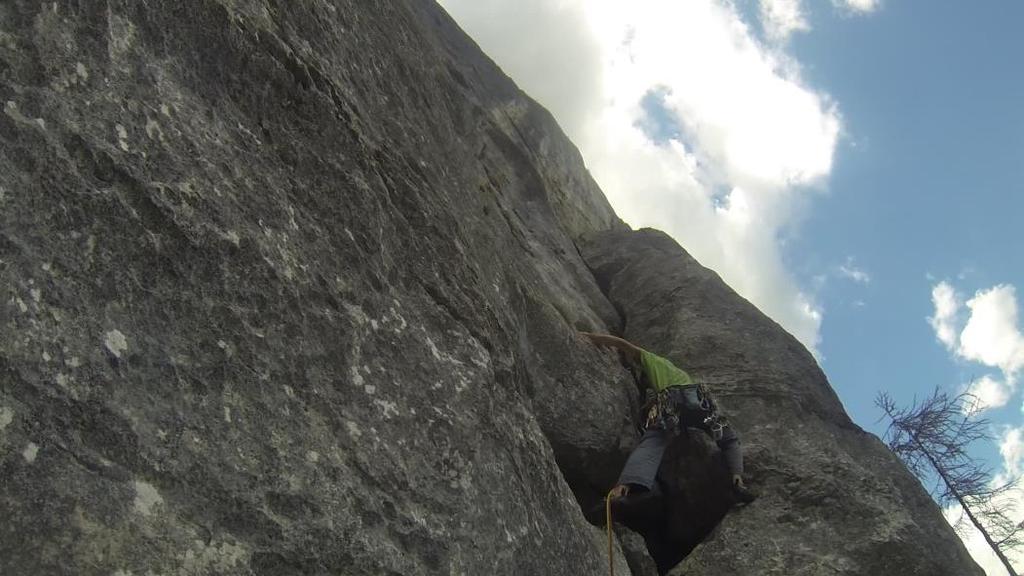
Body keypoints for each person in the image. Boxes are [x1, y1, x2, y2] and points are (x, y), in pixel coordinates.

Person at [579, 332, 757, 510]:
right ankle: (737, 480)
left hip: (673, 400)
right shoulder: (680, 373)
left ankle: (625, 488)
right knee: (729, 439)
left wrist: (590, 337)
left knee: (654, 439)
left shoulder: (651, 359)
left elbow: (622, 344)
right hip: (700, 401)